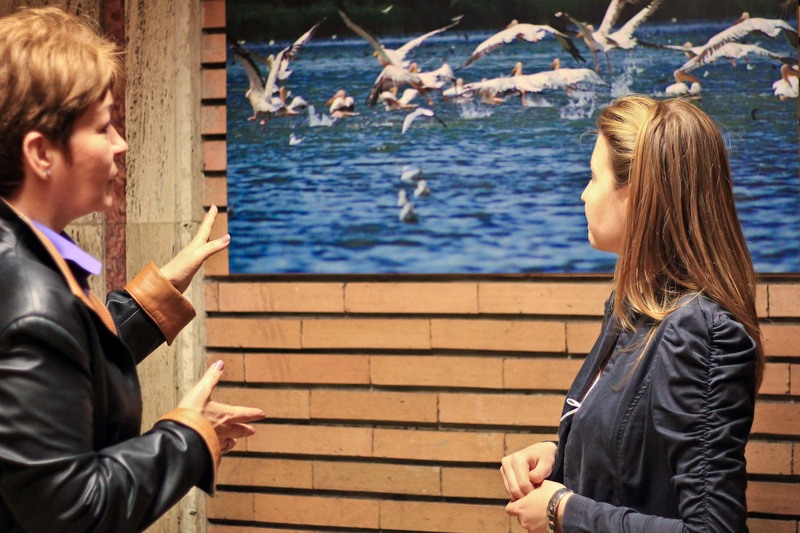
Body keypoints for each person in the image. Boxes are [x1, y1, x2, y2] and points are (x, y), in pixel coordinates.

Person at [0, 7, 265, 531]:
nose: (120, 143)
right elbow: (75, 511)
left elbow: (62, 366)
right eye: (103, 126)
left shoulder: (24, 257)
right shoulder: (30, 301)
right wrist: (189, 438)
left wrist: (155, 297)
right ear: (41, 153)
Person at [502, 94, 763, 532]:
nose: (584, 194)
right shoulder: (633, 308)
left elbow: (713, 529)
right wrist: (559, 456)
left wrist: (562, 509)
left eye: (593, 177)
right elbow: (636, 460)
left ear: (637, 192)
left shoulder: (698, 331)